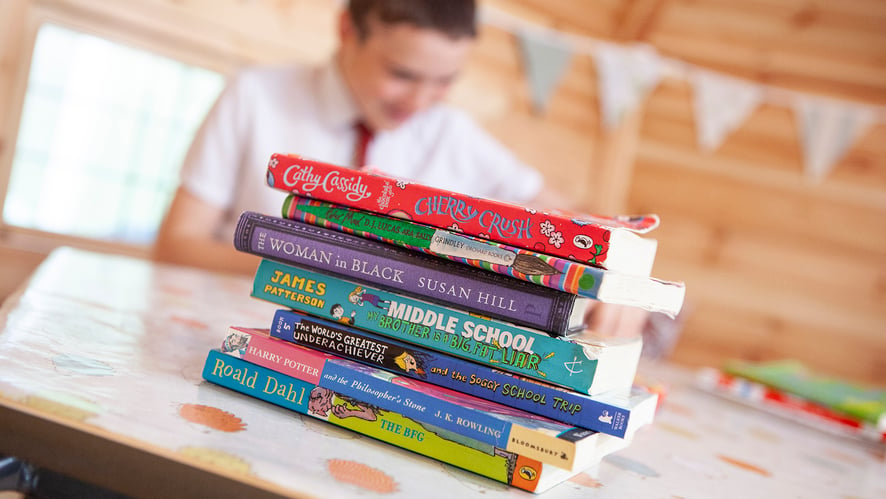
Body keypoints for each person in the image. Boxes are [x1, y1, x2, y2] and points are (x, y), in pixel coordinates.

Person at [154, 0, 646, 337]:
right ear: (347, 30)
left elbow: (576, 222)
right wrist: (316, 264)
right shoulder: (256, 95)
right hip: (231, 331)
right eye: (401, 74)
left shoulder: (451, 132)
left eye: (444, 80)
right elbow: (176, 244)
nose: (419, 101)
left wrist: (615, 274)